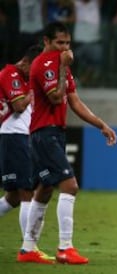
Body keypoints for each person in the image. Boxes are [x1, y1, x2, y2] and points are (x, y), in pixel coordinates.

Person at [16, 21, 117, 265]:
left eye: (68, 44)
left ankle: (28, 248)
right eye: (60, 43)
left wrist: (100, 124)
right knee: (70, 186)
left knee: (45, 189)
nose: (64, 48)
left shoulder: (60, 65)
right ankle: (65, 247)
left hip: (52, 133)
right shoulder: (43, 65)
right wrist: (63, 67)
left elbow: (74, 102)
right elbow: (55, 97)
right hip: (44, 134)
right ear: (46, 41)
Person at [0, 44, 55, 261]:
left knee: (13, 197)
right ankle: (28, 248)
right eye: (35, 68)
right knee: (26, 193)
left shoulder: (20, 76)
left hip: (20, 137)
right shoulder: (10, 74)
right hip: (14, 136)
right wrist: (34, 90)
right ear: (26, 62)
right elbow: (19, 105)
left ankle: (29, 247)